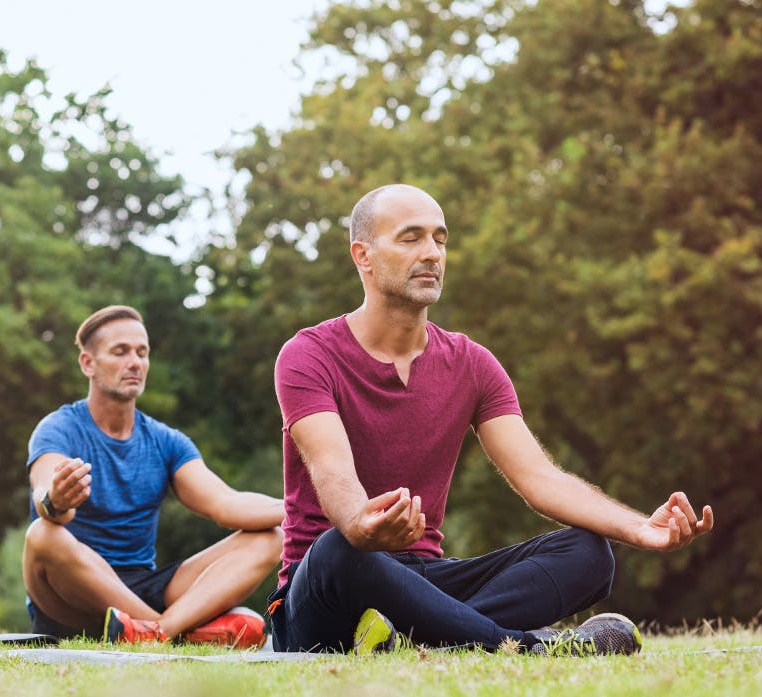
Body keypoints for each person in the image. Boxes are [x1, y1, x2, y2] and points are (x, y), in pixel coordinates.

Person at [270, 184, 716, 656]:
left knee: (589, 553)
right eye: (410, 238)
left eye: (440, 240)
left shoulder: (472, 363)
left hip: (423, 577)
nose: (432, 254)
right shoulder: (307, 355)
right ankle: (527, 648)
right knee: (342, 550)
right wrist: (361, 524)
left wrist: (639, 528)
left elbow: (540, 478)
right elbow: (332, 470)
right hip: (326, 591)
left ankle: (426, 640)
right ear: (363, 255)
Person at [22, 305, 284, 647]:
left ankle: (157, 631)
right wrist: (55, 499)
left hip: (144, 586)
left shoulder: (166, 441)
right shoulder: (58, 428)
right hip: (69, 595)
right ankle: (174, 629)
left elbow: (225, 504)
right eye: (121, 352)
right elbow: (48, 500)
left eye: (142, 353)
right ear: (88, 363)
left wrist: (310, 506)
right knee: (43, 534)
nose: (135, 362)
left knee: (270, 537)